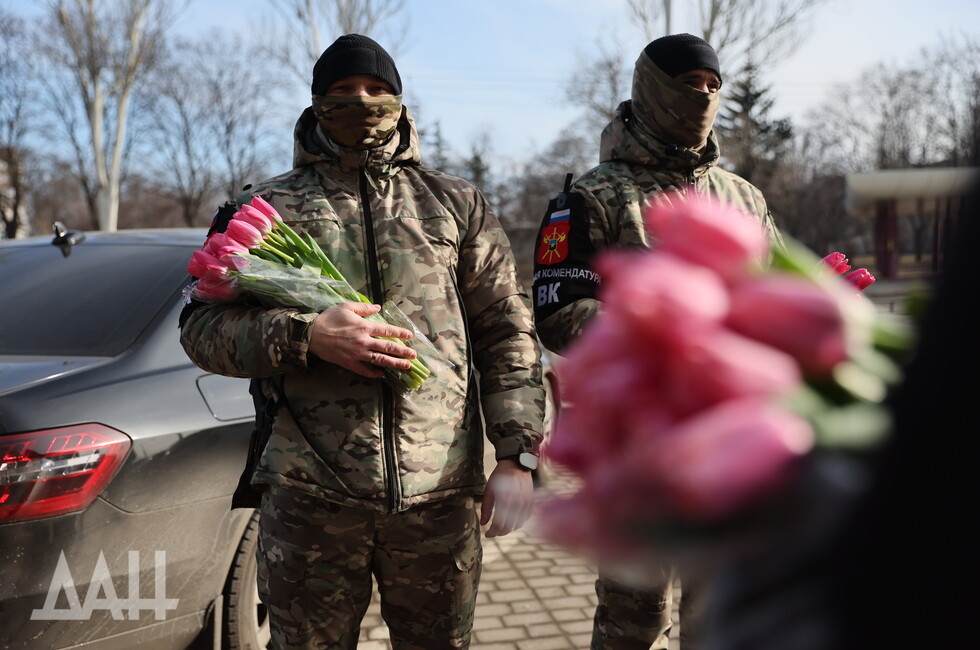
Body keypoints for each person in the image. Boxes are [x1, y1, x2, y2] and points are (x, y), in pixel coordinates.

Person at [180, 34, 546, 650]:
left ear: (400, 100)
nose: (363, 102)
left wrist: (518, 452)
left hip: (438, 494)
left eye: (377, 90)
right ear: (318, 101)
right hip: (309, 495)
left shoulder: (455, 204)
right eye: (344, 92)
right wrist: (307, 335)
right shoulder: (264, 207)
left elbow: (505, 329)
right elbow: (200, 331)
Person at [532, 33, 781, 649]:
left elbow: (772, 293)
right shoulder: (593, 194)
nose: (700, 96)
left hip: (731, 439)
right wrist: (662, 339)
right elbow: (558, 308)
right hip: (635, 444)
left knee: (720, 615)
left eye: (710, 86)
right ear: (648, 88)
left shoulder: (743, 197)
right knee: (631, 621)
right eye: (685, 84)